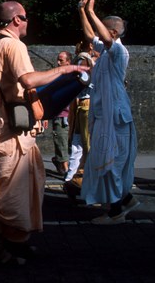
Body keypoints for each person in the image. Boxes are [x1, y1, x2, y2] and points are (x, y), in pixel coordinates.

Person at [0, 2, 88, 263]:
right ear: (17, 20)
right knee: (12, 196)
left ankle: (5, 245)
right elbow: (28, 80)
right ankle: (4, 246)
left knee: (2, 191)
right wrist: (65, 70)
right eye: (26, 17)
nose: (29, 22)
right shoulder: (14, 45)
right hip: (12, 134)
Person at [77, 0, 140, 225]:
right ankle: (126, 200)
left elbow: (102, 37)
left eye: (103, 29)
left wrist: (92, 10)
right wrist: (82, 10)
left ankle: (116, 211)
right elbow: (88, 34)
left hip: (116, 117)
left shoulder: (118, 51)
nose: (98, 35)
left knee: (114, 162)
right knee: (106, 160)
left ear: (112, 32)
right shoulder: (103, 53)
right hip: (106, 116)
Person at [63, 41, 96, 201]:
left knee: (77, 145)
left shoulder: (80, 59)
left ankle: (70, 180)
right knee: (87, 146)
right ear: (90, 46)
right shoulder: (85, 60)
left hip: (80, 105)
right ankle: (80, 183)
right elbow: (86, 79)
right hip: (87, 105)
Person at [51, 51, 72, 175]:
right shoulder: (55, 77)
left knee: (71, 146)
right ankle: (65, 171)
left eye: (61, 60)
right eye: (58, 60)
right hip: (60, 116)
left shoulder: (74, 77)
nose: (58, 63)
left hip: (72, 116)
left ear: (68, 62)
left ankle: (60, 162)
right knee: (62, 144)